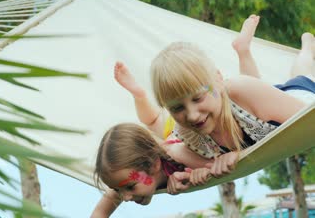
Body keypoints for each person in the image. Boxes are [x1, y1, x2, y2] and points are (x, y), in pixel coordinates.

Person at [90, 15, 276, 217]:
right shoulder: (128, 177)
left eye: (130, 188)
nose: (124, 196)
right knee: (154, 122)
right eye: (121, 190)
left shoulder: (173, 155)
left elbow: (218, 163)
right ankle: (140, 95)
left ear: (153, 164)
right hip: (183, 132)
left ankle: (243, 50)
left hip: (189, 133)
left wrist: (199, 174)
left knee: (252, 88)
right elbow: (107, 202)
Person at [150, 30, 315, 193]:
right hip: (268, 105)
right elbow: (180, 153)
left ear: (219, 80)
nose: (192, 115)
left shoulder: (242, 89)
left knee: (304, 74)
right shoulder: (186, 133)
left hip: (305, 99)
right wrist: (197, 173)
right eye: (177, 108)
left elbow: (309, 118)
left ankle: (307, 48)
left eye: (198, 98)